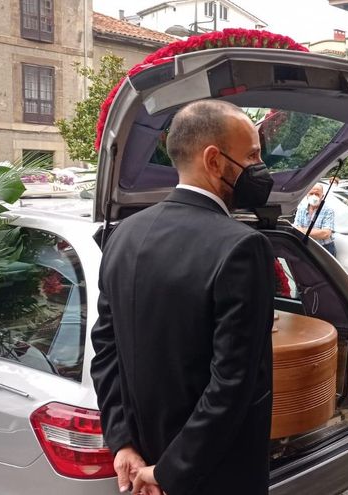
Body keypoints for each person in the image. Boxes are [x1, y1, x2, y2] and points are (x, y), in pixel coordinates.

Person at [90, 100, 275, 495]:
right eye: (253, 155)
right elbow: (233, 381)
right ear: (214, 160)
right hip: (215, 474)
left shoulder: (122, 235)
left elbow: (105, 348)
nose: (261, 168)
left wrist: (121, 441)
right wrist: (170, 470)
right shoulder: (243, 247)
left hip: (140, 463)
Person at [295, 184, 337, 256]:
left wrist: (302, 230)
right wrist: (317, 232)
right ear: (307, 195)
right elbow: (296, 229)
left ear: (322, 196)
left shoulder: (328, 210)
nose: (314, 196)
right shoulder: (301, 209)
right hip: (306, 246)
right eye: (311, 193)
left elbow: (325, 234)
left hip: (324, 248)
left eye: (317, 194)